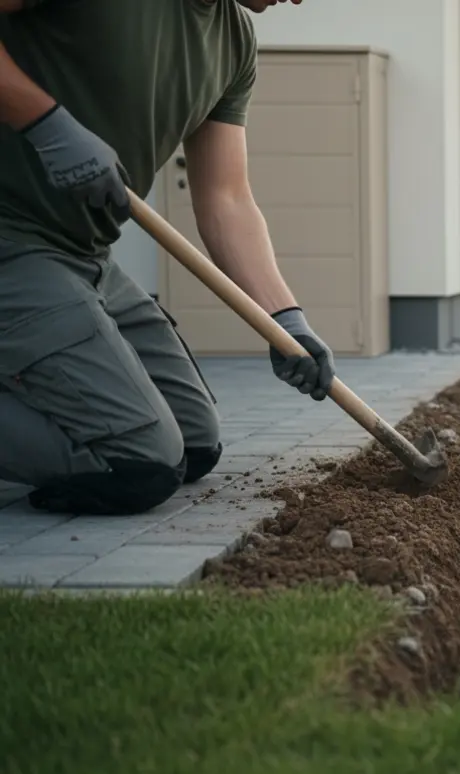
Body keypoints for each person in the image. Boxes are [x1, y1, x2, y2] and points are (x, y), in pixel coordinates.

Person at [0, 0, 335, 516]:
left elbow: (226, 198)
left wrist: (284, 319)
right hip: (11, 237)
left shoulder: (234, 42)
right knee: (139, 465)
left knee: (195, 446)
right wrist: (46, 124)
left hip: (83, 255)